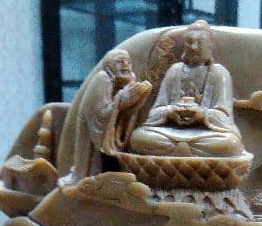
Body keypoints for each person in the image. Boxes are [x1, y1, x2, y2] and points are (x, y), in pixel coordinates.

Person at [130, 21, 244, 157]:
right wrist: (170, 111)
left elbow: (225, 117)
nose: (194, 48)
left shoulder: (219, 73)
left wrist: (202, 114)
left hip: (206, 136)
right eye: (190, 43)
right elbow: (155, 112)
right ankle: (185, 151)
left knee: (231, 143)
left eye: (200, 43)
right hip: (170, 132)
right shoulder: (175, 70)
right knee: (139, 137)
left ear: (210, 44)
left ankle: (180, 152)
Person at [71, 48, 151, 179]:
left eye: (128, 62)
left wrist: (136, 99)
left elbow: (127, 114)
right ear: (109, 67)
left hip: (110, 136)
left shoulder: (128, 79)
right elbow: (100, 116)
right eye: (120, 61)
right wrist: (120, 100)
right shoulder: (103, 79)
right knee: (100, 169)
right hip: (92, 138)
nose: (126, 64)